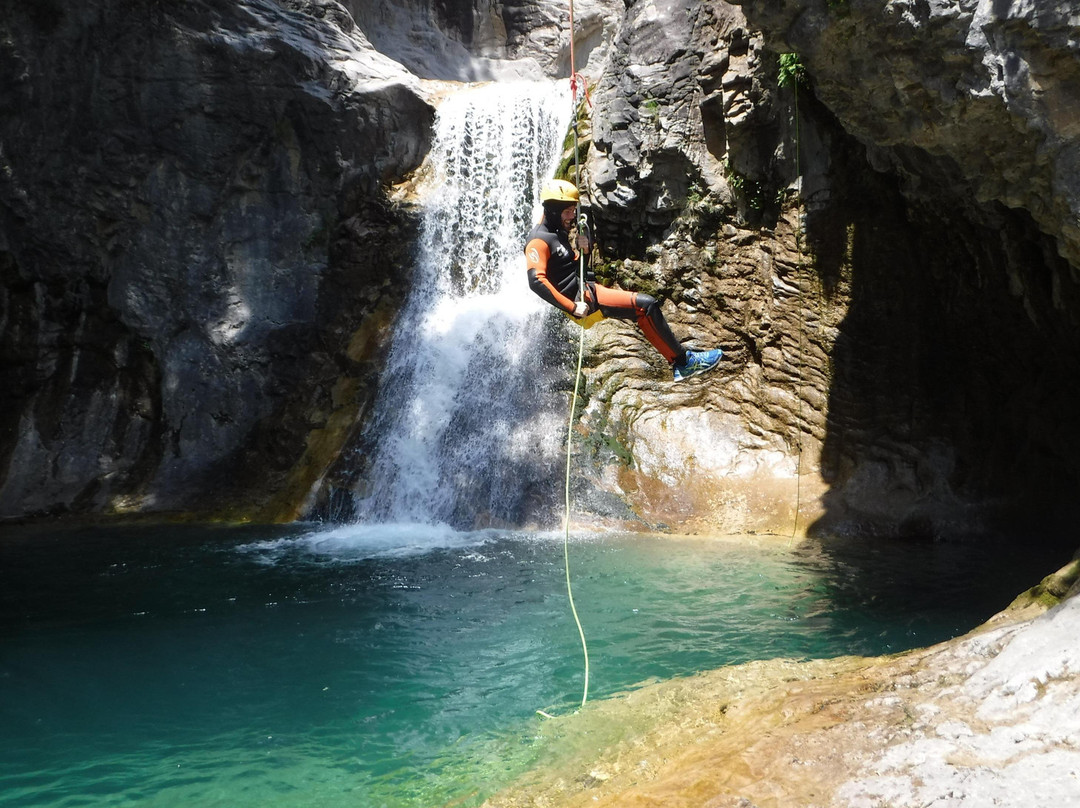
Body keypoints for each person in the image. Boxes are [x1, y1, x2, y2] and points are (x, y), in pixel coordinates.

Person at [525, 179, 723, 381]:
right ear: (552, 211)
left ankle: (679, 359)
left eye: (572, 210)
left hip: (585, 288)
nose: (572, 216)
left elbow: (569, 267)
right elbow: (536, 281)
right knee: (646, 306)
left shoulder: (557, 228)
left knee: (644, 309)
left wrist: (585, 250)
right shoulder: (538, 241)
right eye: (567, 211)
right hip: (582, 301)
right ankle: (684, 363)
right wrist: (572, 307)